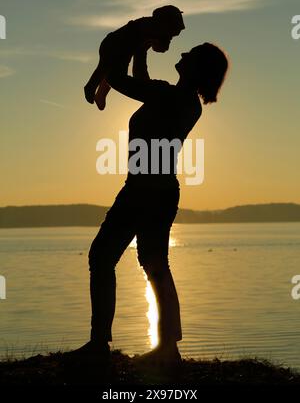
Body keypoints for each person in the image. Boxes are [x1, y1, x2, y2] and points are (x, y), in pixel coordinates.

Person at [71, 42, 228, 367]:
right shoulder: (175, 96)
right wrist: (139, 48)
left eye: (190, 54)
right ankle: (164, 347)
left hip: (146, 190)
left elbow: (121, 80)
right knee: (152, 265)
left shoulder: (174, 98)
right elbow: (141, 80)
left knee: (105, 258)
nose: (182, 55)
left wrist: (125, 43)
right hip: (155, 190)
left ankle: (104, 344)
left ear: (197, 68)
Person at [84, 5, 185, 110]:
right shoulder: (147, 29)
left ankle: (100, 94)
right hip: (113, 46)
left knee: (112, 73)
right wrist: (143, 81)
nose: (170, 38)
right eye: (170, 35)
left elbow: (140, 59)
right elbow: (140, 58)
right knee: (105, 69)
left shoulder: (149, 33)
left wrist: (142, 82)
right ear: (164, 24)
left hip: (120, 48)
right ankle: (90, 86)